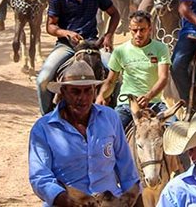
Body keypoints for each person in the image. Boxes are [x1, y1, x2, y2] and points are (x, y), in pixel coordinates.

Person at [28, 61, 140, 206]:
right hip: (66, 204)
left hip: (111, 202)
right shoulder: (43, 128)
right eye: (75, 92)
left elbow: (127, 170)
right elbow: (40, 178)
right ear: (63, 92)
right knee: (43, 77)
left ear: (95, 91)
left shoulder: (111, 117)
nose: (83, 97)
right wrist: (71, 201)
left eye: (88, 90)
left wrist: (132, 196)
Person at [36, 0, 120, 115]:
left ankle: (116, 116)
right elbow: (50, 26)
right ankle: (47, 118)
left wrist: (109, 35)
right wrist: (66, 33)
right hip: (66, 46)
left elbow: (114, 14)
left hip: (93, 44)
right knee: (43, 80)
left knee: (117, 74)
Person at [97, 10, 172, 131]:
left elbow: (163, 78)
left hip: (154, 104)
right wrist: (101, 95)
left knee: (174, 130)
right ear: (130, 29)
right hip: (126, 105)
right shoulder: (120, 51)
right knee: (110, 132)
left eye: (142, 30)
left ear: (150, 29)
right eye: (135, 30)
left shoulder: (161, 48)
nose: (138, 34)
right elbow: (111, 81)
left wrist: (148, 96)